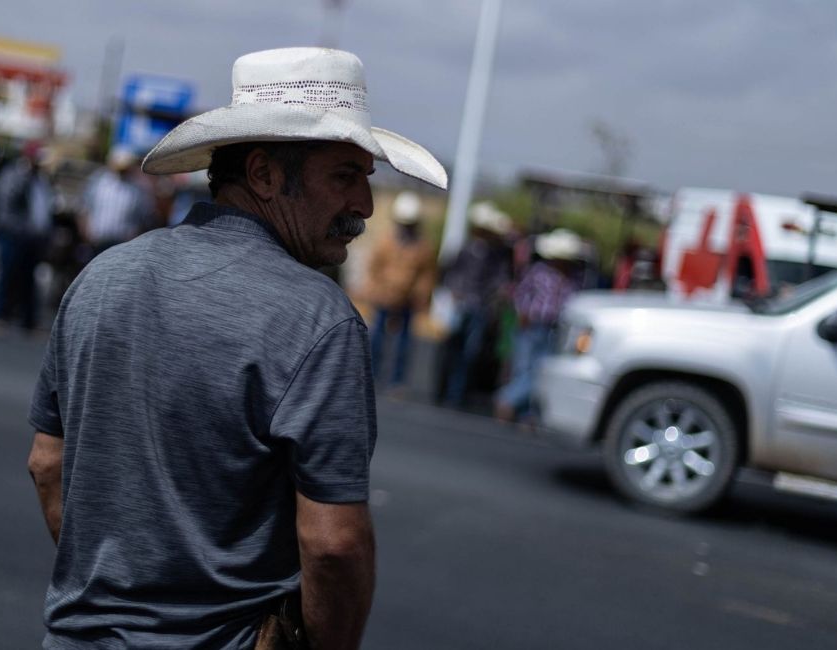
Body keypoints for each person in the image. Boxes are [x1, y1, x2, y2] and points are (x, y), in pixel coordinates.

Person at [26, 47, 447, 650]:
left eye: (365, 179)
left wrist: (117, 593)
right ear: (264, 174)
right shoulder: (319, 319)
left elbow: (47, 464)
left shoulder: (101, 277)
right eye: (345, 176)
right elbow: (333, 544)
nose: (364, 206)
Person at [494, 228, 583, 423]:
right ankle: (513, 405)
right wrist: (522, 312)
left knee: (540, 371)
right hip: (532, 325)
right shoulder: (539, 272)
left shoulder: (573, 278)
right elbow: (520, 293)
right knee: (524, 368)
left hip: (554, 329)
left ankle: (514, 404)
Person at [361, 191, 438, 394]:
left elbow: (426, 275)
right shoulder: (386, 241)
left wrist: (422, 298)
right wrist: (376, 290)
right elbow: (374, 267)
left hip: (407, 300)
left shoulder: (423, 247)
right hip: (384, 296)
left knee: (404, 343)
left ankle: (397, 381)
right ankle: (372, 374)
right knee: (376, 337)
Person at [438, 202, 514, 407]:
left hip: (478, 306)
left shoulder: (494, 256)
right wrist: (454, 292)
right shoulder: (466, 249)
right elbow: (449, 271)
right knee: (452, 348)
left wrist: (494, 295)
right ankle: (444, 389)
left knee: (469, 352)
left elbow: (498, 280)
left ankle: (455, 393)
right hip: (462, 304)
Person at [0, 140, 53, 331]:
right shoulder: (14, 175)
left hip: (33, 238)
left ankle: (28, 321)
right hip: (14, 235)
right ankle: (0, 315)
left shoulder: (41, 179)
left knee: (29, 279)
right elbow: (7, 204)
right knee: (7, 275)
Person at [79, 147, 156, 260]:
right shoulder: (99, 181)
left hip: (123, 244)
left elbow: (144, 216)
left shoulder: (137, 189)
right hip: (97, 242)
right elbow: (84, 208)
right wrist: (85, 233)